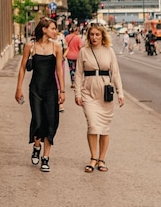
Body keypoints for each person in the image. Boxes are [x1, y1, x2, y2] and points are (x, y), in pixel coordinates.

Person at [15, 17, 65, 173]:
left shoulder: (56, 47)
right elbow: (23, 68)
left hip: (51, 90)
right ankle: (36, 146)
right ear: (44, 30)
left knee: (50, 121)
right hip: (35, 89)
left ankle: (45, 158)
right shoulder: (30, 46)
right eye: (53, 28)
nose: (55, 31)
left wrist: (62, 91)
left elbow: (59, 70)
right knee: (37, 120)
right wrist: (18, 88)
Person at [74, 22, 125, 172]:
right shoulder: (84, 51)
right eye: (92, 34)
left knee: (104, 128)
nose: (94, 37)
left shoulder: (109, 51)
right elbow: (78, 74)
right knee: (92, 125)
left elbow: (115, 73)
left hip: (105, 93)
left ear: (102, 35)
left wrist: (120, 93)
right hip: (88, 91)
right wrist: (77, 93)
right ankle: (93, 157)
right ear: (88, 36)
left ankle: (101, 159)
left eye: (97, 34)